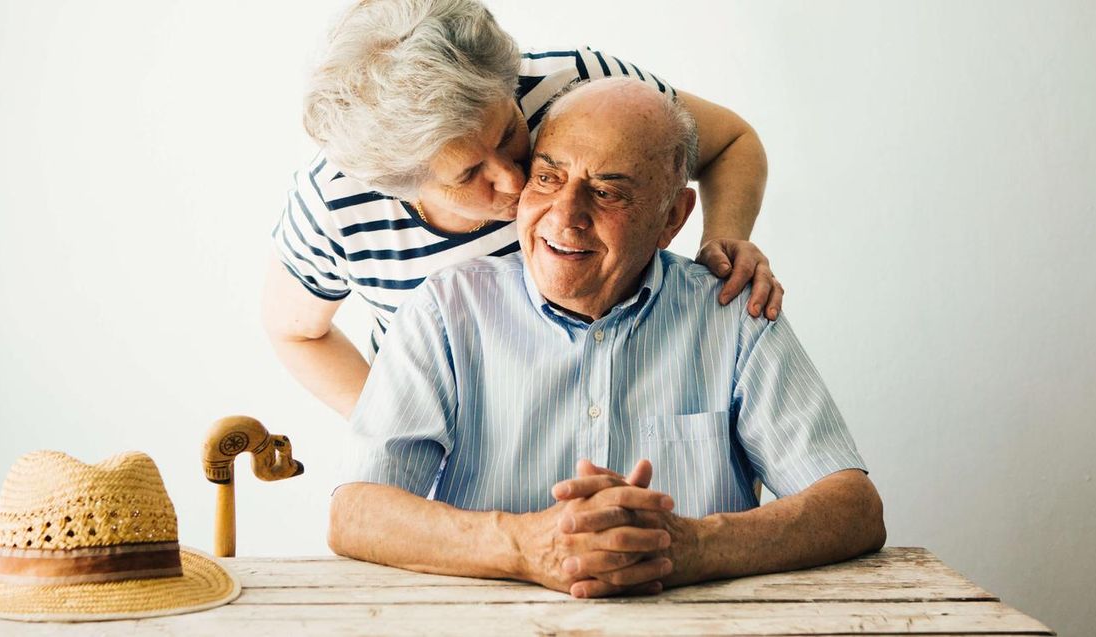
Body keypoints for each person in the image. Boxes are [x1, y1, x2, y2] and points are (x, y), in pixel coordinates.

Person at [328, 78, 885, 598]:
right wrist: (526, 546)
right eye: (547, 177)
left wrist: (688, 545)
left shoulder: (732, 314)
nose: (565, 215)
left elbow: (854, 509)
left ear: (672, 217)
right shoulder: (447, 309)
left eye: (606, 192)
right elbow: (356, 514)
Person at [265, 0, 785, 417]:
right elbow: (296, 332)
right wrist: (393, 425)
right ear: (401, 187)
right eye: (470, 174)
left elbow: (731, 142)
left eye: (511, 130)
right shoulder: (335, 202)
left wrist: (724, 240)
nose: (515, 178)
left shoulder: (578, 86)